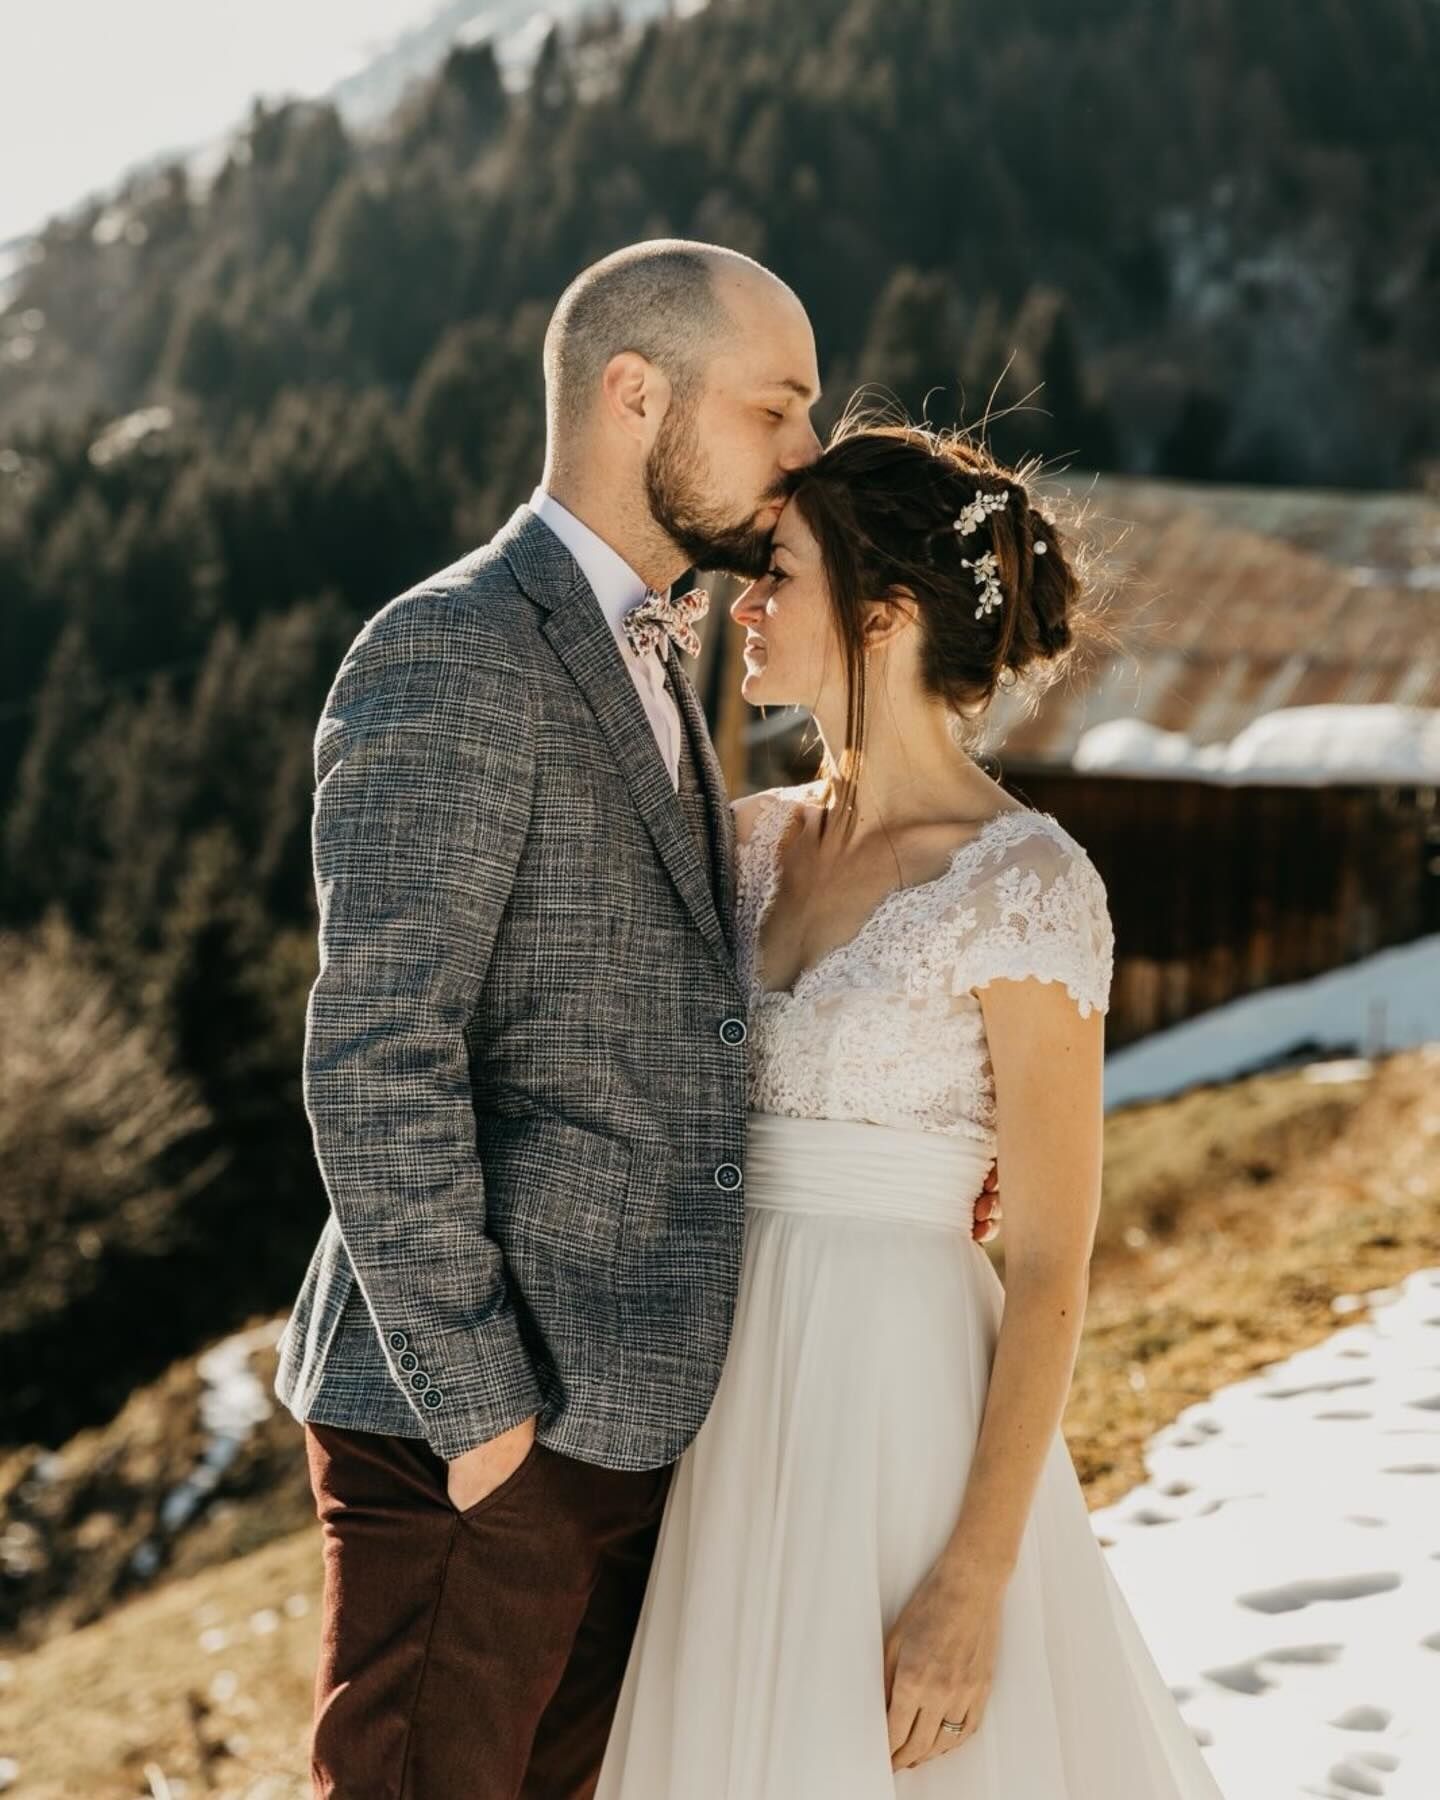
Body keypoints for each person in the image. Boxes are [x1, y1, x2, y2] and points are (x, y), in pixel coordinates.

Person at [273, 242, 1003, 1799]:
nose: (806, 451)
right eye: (776, 407)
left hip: (632, 1432)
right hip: (476, 1439)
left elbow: (665, 1006)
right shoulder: (453, 648)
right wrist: (483, 1418)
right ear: (634, 395)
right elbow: (378, 1054)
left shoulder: (663, 652)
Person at [595, 422, 1228, 1797]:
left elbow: (1051, 1261)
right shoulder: (746, 842)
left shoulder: (1024, 885)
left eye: (778, 575)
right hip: (716, 1413)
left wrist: (973, 1581)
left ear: (881, 617)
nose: (745, 607)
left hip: (899, 1410)